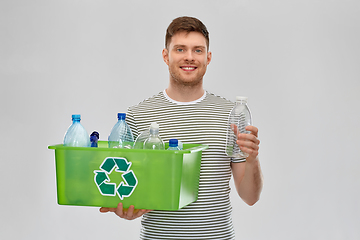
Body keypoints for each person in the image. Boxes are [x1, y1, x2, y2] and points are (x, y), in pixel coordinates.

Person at [100, 16, 263, 239]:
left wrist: (252, 159)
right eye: (180, 49)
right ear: (166, 56)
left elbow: (250, 197)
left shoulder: (231, 115)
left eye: (198, 50)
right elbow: (130, 186)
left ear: (208, 57)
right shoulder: (138, 115)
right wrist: (128, 207)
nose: (189, 57)